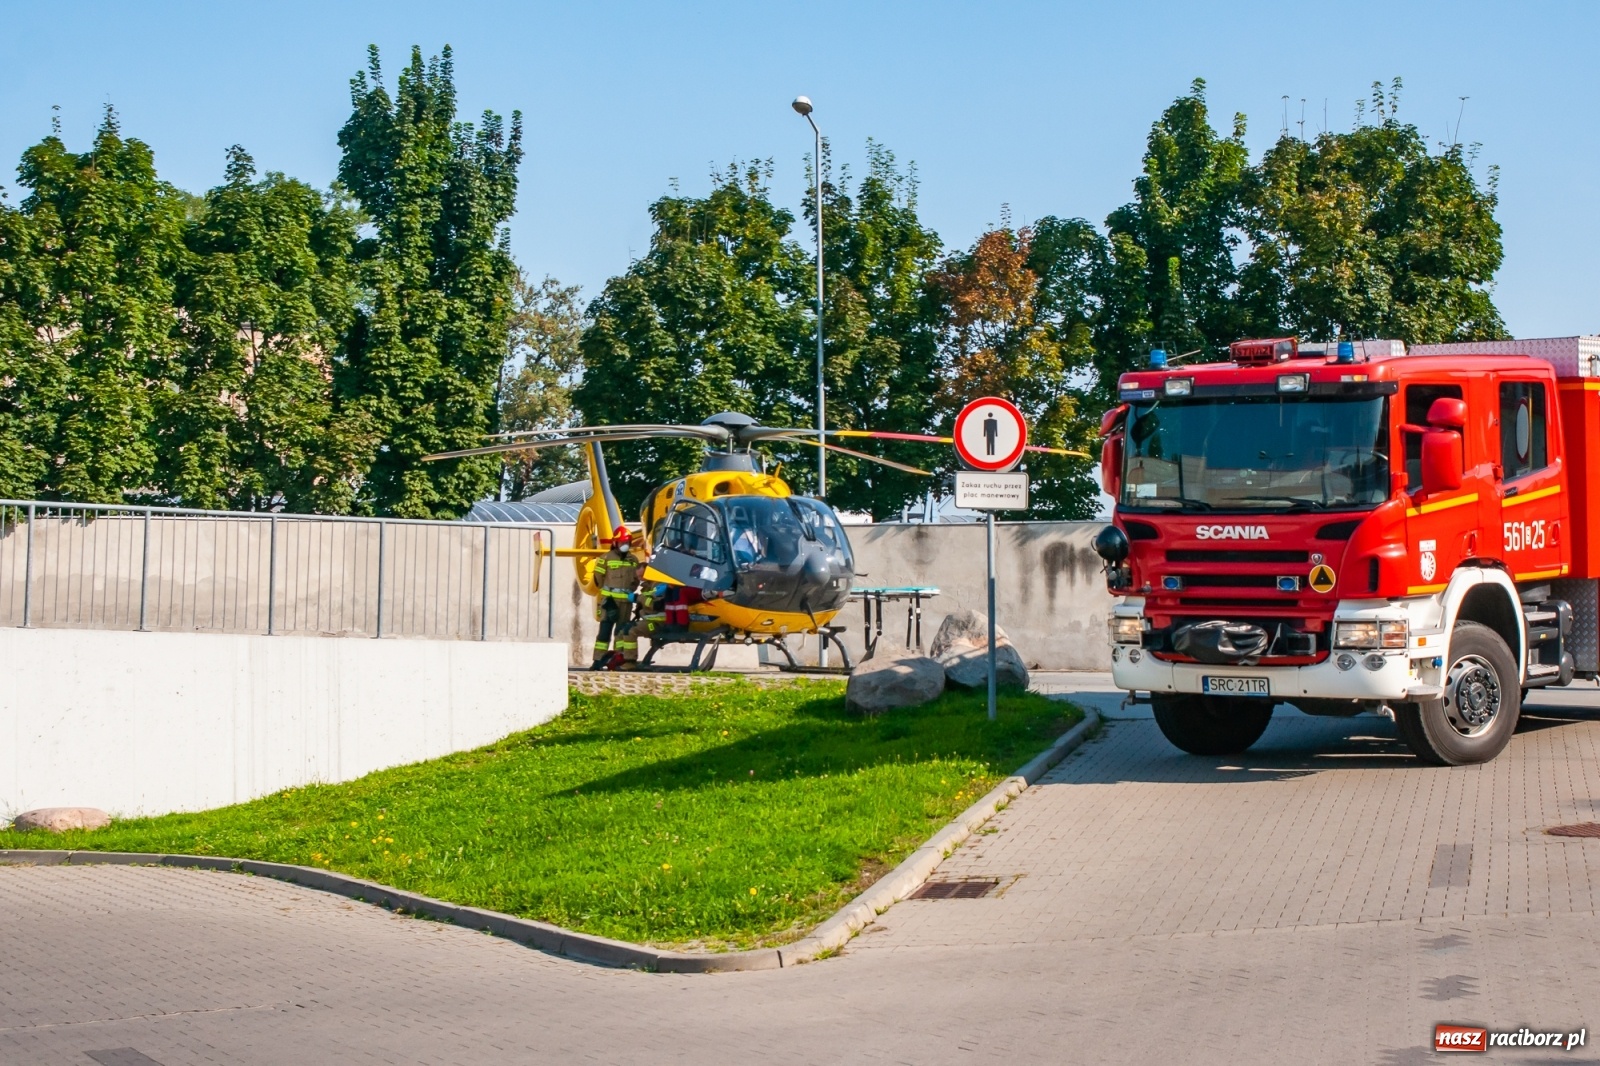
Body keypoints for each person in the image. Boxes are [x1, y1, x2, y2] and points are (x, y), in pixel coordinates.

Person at [593, 526, 642, 669]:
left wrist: (630, 591)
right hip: (610, 602)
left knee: (621, 632)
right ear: (615, 543)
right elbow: (598, 578)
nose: (624, 545)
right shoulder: (605, 558)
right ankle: (598, 659)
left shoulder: (633, 560)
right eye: (621, 542)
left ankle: (617, 659)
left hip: (626, 603)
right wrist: (607, 594)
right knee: (604, 632)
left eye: (626, 542)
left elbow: (635, 579)